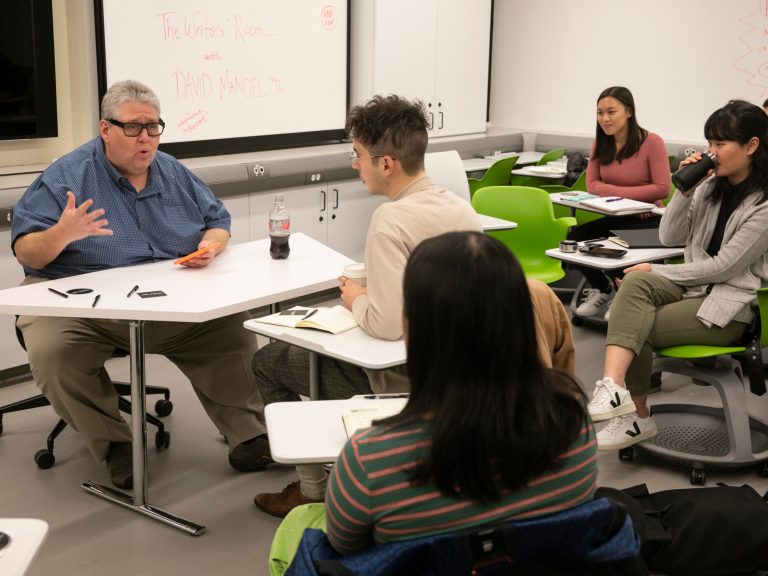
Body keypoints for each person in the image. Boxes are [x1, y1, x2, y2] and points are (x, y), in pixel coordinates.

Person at [11, 80, 269, 489]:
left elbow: (218, 221)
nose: (145, 138)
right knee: (53, 353)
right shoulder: (68, 176)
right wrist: (61, 234)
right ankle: (115, 445)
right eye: (132, 127)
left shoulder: (173, 172)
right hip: (80, 303)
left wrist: (210, 245)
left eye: (153, 127)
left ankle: (249, 434)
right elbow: (26, 251)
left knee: (231, 329)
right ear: (106, 129)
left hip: (166, 298)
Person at [251, 94, 484, 518]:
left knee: (267, 361)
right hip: (464, 376)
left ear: (387, 164)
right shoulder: (461, 208)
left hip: (404, 382)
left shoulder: (390, 221)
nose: (355, 164)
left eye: (357, 155)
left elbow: (387, 324)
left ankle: (312, 488)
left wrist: (356, 298)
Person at [323, 231, 596, 556]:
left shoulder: (370, 459)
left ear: (411, 329)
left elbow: (342, 547)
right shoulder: (572, 419)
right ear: (523, 315)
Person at [587, 100, 768, 450]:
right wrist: (684, 191)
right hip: (695, 288)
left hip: (731, 305)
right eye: (709, 143)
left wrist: (656, 268)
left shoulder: (764, 205)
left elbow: (725, 267)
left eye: (720, 144)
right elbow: (669, 236)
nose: (711, 153)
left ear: (751, 146)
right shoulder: (711, 187)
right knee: (635, 284)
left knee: (633, 323)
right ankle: (614, 388)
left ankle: (637, 418)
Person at [569, 86, 671, 319]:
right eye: (600, 112)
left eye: (611, 112)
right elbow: (591, 185)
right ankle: (603, 289)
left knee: (617, 243)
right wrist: (637, 195)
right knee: (575, 238)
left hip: (650, 219)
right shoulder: (600, 143)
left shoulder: (653, 142)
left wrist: (612, 192)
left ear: (629, 112)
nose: (604, 118)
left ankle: (624, 295)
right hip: (619, 216)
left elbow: (662, 189)